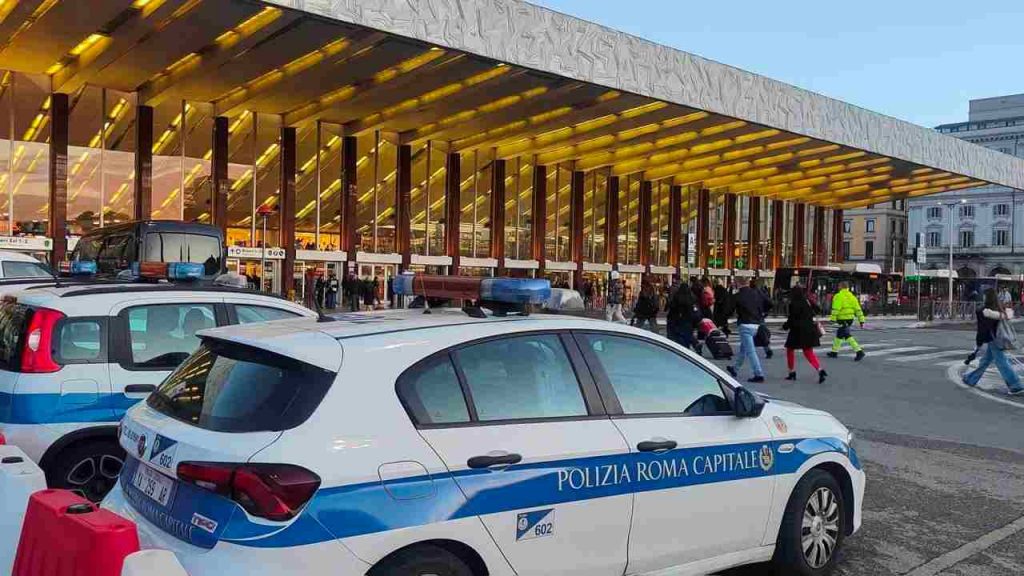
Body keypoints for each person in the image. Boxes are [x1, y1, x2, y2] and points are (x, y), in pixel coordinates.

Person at [962, 289, 1023, 394]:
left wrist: (979, 342)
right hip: (998, 338)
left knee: (1001, 362)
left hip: (993, 339)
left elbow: (983, 329)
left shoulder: (985, 312)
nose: (983, 298)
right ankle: (971, 378)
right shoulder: (999, 309)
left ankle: (1016, 385)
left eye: (985, 296)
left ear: (987, 298)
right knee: (985, 361)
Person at [726, 280, 770, 383]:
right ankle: (735, 369)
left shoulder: (738, 296)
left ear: (739, 284)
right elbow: (769, 303)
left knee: (750, 351)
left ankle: (758, 374)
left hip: (744, 324)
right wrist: (762, 313)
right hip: (756, 324)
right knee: (744, 348)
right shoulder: (756, 293)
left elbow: (729, 309)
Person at [783, 285, 827, 383]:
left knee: (790, 350)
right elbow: (818, 310)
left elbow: (792, 319)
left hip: (797, 331)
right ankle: (819, 369)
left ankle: (791, 372)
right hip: (809, 329)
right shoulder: (807, 301)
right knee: (808, 352)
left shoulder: (793, 303)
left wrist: (785, 326)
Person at [827, 281, 866, 361]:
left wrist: (833, 319)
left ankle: (859, 351)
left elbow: (836, 308)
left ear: (841, 287)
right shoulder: (852, 297)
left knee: (846, 335)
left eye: (839, 286)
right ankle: (834, 352)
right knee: (840, 334)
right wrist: (861, 320)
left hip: (842, 319)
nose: (838, 287)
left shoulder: (839, 296)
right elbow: (858, 309)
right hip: (850, 319)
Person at [666, 282, 698, 350]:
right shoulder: (692, 297)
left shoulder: (677, 296)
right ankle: (693, 344)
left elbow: (672, 306)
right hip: (689, 320)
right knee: (687, 335)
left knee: (678, 336)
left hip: (678, 319)